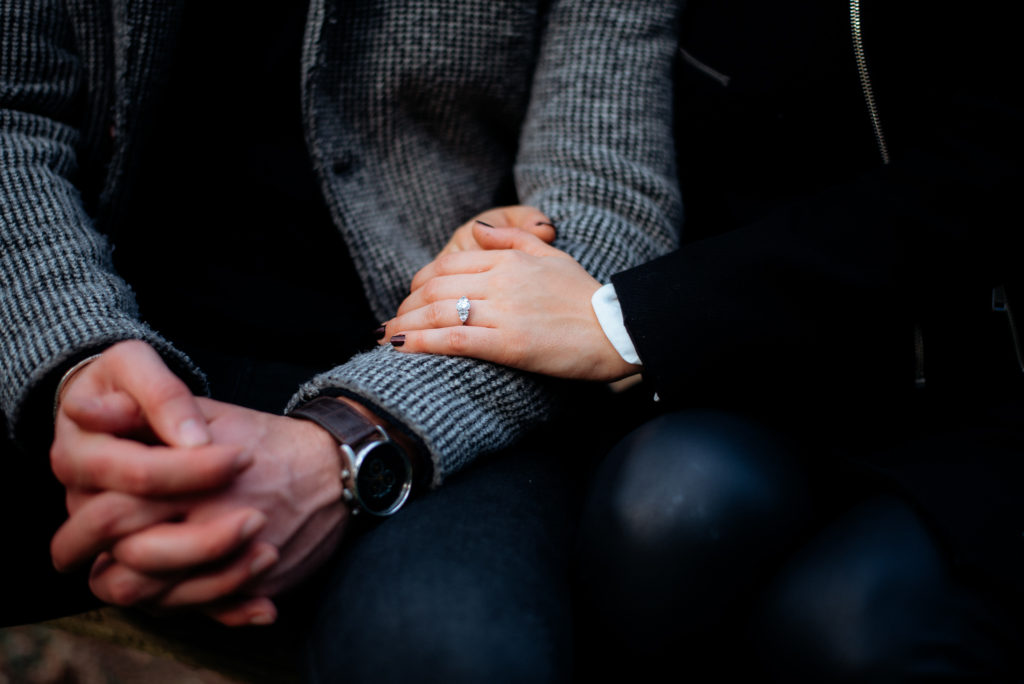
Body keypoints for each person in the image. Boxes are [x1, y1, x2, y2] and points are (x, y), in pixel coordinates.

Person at [0, 0, 682, 679]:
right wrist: (78, 361)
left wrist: (354, 443)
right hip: (65, 314)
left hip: (425, 375)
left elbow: (604, 203)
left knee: (456, 652)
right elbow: (11, 120)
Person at [382, 0, 1024, 678]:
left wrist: (629, 321)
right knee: (668, 512)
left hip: (977, 389)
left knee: (851, 628)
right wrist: (509, 238)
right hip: (745, 366)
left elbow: (982, 174)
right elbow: (595, 127)